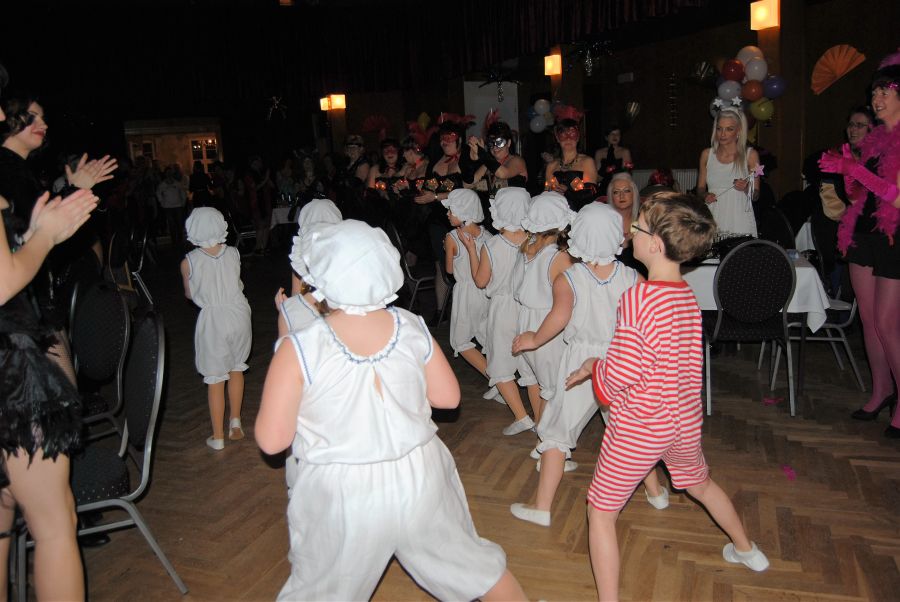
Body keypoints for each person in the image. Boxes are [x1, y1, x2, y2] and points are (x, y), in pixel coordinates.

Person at [255, 219, 527, 601]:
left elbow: (272, 441)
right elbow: (448, 398)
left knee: (324, 591)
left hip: (342, 490)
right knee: (472, 566)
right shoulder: (410, 325)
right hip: (419, 474)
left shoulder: (300, 345)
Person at [567, 194, 769, 600]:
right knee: (702, 484)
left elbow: (621, 374)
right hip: (683, 421)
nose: (630, 233)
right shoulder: (686, 295)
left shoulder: (638, 298)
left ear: (656, 244)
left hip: (640, 426)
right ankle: (748, 550)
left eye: (637, 227)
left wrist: (593, 367)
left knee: (600, 511)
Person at [0, 63, 100, 599]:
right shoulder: (6, 171)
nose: (40, 124)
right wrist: (47, 233)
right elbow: (6, 277)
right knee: (56, 524)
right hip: (12, 352)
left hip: (25, 331)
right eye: (28, 115)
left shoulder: (18, 172)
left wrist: (63, 198)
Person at [509, 203, 666, 527]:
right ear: (619, 238)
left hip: (580, 363)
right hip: (621, 359)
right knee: (628, 430)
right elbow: (647, 321)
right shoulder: (633, 277)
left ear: (576, 238)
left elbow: (558, 317)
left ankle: (541, 507)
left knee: (556, 431)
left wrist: (534, 339)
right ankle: (656, 493)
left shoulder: (569, 278)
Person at [819, 52, 900, 436]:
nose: (876, 98)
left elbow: (896, 198)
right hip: (864, 233)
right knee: (868, 319)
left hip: (894, 236)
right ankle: (881, 390)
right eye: (874, 92)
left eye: (884, 91)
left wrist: (854, 170)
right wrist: (845, 171)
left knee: (886, 322)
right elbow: (858, 197)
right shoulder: (874, 141)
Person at [180, 208, 252, 451]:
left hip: (214, 319)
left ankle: (218, 436)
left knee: (215, 378)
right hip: (239, 313)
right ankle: (235, 422)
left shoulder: (189, 261)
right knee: (236, 367)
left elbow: (189, 295)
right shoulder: (233, 252)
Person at [468, 187, 534, 434]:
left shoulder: (492, 245)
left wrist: (472, 251)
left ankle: (522, 416)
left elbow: (481, 281)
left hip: (503, 308)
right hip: (529, 307)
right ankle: (542, 420)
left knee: (499, 365)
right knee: (531, 365)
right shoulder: (535, 241)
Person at [513, 191, 575, 428]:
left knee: (533, 380)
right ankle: (548, 441)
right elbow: (571, 296)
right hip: (547, 326)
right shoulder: (559, 257)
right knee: (552, 387)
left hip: (525, 319)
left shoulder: (526, 248)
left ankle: (540, 430)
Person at [810, 106, 875, 295]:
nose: (853, 129)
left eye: (859, 125)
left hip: (874, 234)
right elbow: (833, 207)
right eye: (851, 125)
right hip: (839, 230)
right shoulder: (837, 157)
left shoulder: (878, 160)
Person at [443, 189, 492, 383]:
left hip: (466, 293)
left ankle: (496, 379)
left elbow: (449, 270)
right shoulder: (488, 235)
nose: (447, 214)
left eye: (451, 210)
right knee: (485, 335)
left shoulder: (452, 237)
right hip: (486, 292)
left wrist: (446, 250)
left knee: (460, 341)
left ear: (463, 212)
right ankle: (501, 379)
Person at [697, 106, 760, 236]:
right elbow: (700, 189)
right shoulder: (707, 155)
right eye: (719, 129)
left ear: (738, 130)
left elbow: (756, 195)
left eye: (729, 129)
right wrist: (705, 195)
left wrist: (746, 188)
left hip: (740, 219)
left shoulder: (751, 155)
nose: (723, 134)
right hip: (714, 217)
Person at [544, 112, 600, 211]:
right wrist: (552, 190)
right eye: (563, 134)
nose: (568, 138)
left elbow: (592, 192)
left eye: (572, 134)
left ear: (578, 137)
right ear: (557, 138)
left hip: (580, 210)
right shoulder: (551, 166)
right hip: (555, 209)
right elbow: (547, 192)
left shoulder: (587, 162)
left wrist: (568, 192)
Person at [606, 171, 646, 277]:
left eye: (626, 191)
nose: (621, 196)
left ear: (634, 194)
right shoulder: (605, 222)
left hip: (639, 276)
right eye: (616, 192)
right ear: (611, 196)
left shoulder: (642, 221)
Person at [156, 164, 187, 249]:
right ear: (165, 174)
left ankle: (180, 240)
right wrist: (161, 202)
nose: (169, 174)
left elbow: (183, 193)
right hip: (167, 207)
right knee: (171, 224)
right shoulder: (162, 184)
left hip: (178, 206)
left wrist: (183, 202)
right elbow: (158, 193)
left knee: (179, 224)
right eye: (167, 173)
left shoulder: (177, 183)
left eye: (170, 172)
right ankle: (174, 241)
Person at [594, 126, 634, 193]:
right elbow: (597, 178)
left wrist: (627, 168)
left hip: (620, 187)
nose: (615, 136)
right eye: (612, 134)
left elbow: (627, 175)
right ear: (606, 137)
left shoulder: (624, 152)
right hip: (604, 187)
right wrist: (605, 170)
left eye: (618, 134)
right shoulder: (599, 153)